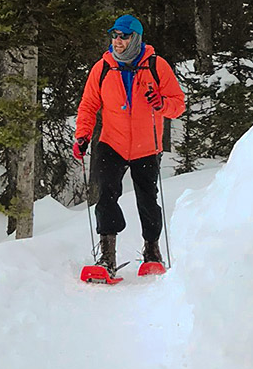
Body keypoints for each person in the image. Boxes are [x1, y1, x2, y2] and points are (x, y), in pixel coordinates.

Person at [73, 14, 185, 274]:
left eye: (123, 35)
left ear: (135, 37)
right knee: (106, 197)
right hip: (112, 143)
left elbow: (178, 104)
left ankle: (152, 251)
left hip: (147, 147)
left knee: (147, 199)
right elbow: (89, 105)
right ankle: (107, 257)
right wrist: (82, 136)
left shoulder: (157, 66)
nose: (118, 40)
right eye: (114, 35)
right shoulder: (103, 68)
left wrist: (162, 103)